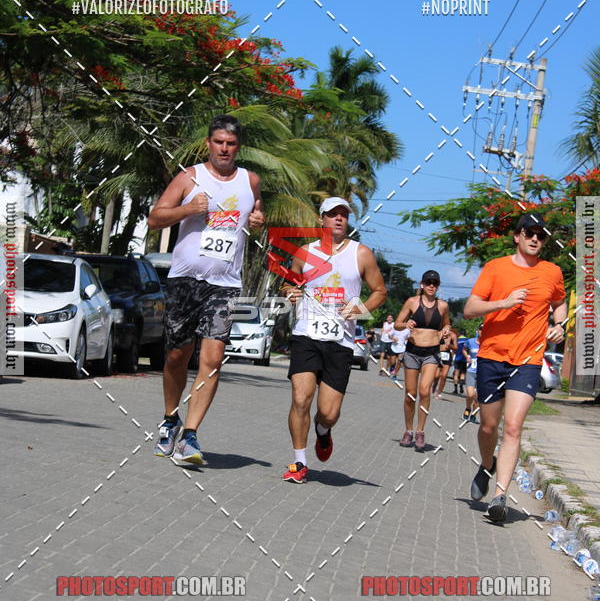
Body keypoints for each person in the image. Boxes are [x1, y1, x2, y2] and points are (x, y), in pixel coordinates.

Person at [148, 114, 265, 465]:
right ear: (209, 144)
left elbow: (255, 213)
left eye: (230, 144)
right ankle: (170, 419)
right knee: (176, 356)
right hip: (185, 279)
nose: (224, 149)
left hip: (225, 285)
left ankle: (191, 436)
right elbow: (155, 218)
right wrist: (188, 208)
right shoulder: (190, 177)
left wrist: (258, 220)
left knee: (212, 361)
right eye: (218, 142)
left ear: (238, 148)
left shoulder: (251, 180)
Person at [464, 213, 566, 522]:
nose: (536, 239)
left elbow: (559, 302)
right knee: (488, 427)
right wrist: (502, 303)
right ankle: (486, 463)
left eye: (541, 235)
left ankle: (500, 495)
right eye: (530, 233)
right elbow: (469, 309)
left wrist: (559, 325)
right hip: (492, 357)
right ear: (517, 237)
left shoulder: (553, 272)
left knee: (512, 427)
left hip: (528, 361)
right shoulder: (495, 268)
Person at [280, 197, 387, 483]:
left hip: (340, 340)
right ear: (322, 220)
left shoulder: (361, 253)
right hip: (306, 334)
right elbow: (289, 282)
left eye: (344, 215)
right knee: (301, 398)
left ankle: (323, 431)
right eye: (333, 214)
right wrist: (289, 291)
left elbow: (379, 291)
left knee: (328, 412)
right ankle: (299, 463)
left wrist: (360, 308)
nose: (339, 219)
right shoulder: (305, 252)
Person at [395, 270, 451, 451]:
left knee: (424, 391)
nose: (431, 286)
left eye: (435, 283)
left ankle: (420, 432)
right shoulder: (412, 302)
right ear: (422, 284)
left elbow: (447, 323)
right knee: (411, 394)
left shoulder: (443, 306)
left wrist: (446, 330)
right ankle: (408, 430)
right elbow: (397, 323)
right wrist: (406, 324)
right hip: (412, 352)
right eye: (428, 282)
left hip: (431, 354)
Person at [433, 327, 458, 397]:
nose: (446, 330)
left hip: (447, 355)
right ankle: (435, 384)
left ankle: (439, 393)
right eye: (445, 328)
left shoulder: (453, 336)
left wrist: (449, 345)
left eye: (448, 329)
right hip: (438, 354)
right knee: (436, 375)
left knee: (444, 376)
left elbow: (456, 348)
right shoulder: (438, 333)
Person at [463, 327, 481, 421]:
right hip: (471, 371)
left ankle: (474, 415)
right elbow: (464, 349)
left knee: (477, 397)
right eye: (481, 329)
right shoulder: (470, 341)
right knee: (470, 395)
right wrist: (467, 356)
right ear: (477, 331)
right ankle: (468, 408)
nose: (482, 331)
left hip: (482, 374)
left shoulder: (487, 343)